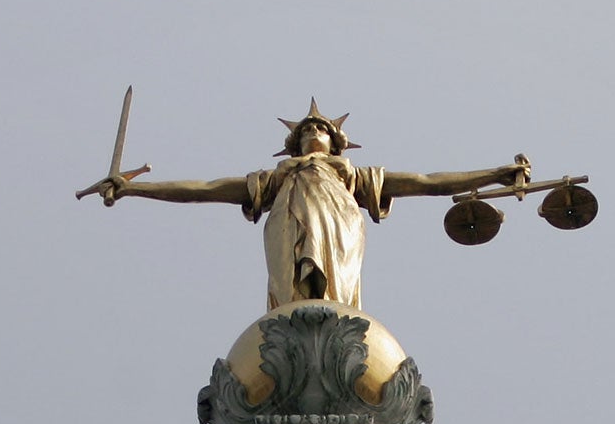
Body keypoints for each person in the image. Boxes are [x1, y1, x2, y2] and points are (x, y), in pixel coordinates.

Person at [104, 101, 529, 311]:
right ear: (292, 143)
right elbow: (205, 188)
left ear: (336, 141)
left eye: (321, 128)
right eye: (306, 128)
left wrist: (492, 175)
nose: (313, 131)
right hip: (286, 226)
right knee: (291, 297)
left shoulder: (351, 176)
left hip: (340, 225)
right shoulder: (277, 178)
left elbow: (426, 182)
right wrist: (135, 189)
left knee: (336, 300)